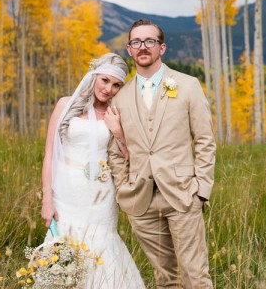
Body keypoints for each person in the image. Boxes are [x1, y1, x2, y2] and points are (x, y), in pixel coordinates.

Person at [106, 19, 216, 288]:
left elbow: (205, 140)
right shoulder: (120, 97)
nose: (143, 47)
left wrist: (201, 189)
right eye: (136, 42)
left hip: (183, 195)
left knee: (195, 276)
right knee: (166, 279)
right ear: (129, 50)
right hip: (141, 200)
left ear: (161, 47)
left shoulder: (188, 85)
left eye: (149, 41)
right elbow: (116, 152)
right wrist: (123, 187)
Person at [41, 53, 145, 288]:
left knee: (101, 246)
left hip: (100, 194)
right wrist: (47, 199)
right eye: (105, 81)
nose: (109, 89)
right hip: (66, 191)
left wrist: (118, 131)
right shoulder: (65, 105)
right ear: (94, 76)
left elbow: (132, 158)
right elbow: (49, 154)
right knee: (64, 246)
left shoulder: (116, 114)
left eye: (116, 84)